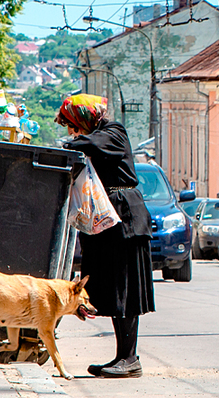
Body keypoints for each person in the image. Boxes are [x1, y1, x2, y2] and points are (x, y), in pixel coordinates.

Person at [56, 94, 154, 378]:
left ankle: (130, 358)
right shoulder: (95, 136)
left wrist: (68, 142)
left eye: (73, 125)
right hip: (106, 221)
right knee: (111, 289)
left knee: (124, 288)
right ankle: (121, 357)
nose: (72, 132)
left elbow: (91, 144)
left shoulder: (113, 132)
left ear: (85, 119)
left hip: (125, 220)